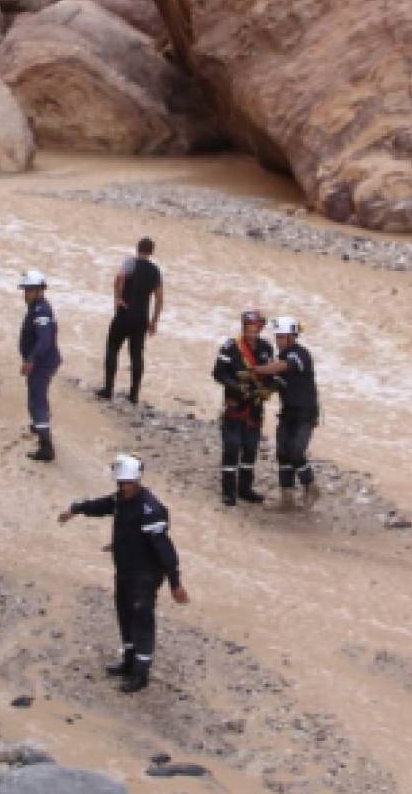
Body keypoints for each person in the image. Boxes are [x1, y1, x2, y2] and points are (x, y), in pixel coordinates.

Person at [57, 454, 188, 693]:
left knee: (142, 619)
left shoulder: (150, 510)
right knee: (125, 615)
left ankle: (141, 673)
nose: (123, 488)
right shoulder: (121, 500)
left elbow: (164, 549)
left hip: (145, 575)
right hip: (125, 571)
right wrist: (76, 509)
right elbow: (102, 506)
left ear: (137, 481)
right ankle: (129, 661)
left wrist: (175, 583)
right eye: (120, 483)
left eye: (126, 483)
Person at [254, 316, 319, 509]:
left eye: (281, 337)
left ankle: (310, 486)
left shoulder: (300, 354)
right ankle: (287, 498)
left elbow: (282, 367)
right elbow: (274, 382)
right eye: (277, 337)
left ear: (292, 337)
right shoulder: (281, 357)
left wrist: (256, 369)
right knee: (282, 453)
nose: (278, 340)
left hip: (305, 414)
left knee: (296, 451)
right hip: (287, 412)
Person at [211, 310, 275, 507]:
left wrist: (268, 389)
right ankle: (228, 492)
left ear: (260, 329)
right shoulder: (230, 348)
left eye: (255, 330)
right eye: (248, 330)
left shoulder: (266, 348)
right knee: (231, 448)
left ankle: (245, 489)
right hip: (234, 406)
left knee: (250, 449)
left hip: (255, 408)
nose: (251, 334)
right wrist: (237, 386)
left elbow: (270, 375)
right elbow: (218, 373)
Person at [94, 237, 163, 404]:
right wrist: (154, 321)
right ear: (152, 252)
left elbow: (119, 279)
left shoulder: (130, 263)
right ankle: (133, 395)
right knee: (136, 355)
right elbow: (159, 299)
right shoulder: (155, 271)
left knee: (112, 348)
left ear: (137, 249)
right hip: (141, 318)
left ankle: (108, 390)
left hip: (125, 313)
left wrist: (118, 298)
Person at [18, 270, 61, 462]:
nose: (25, 294)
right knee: (37, 398)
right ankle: (39, 426)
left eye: (29, 290)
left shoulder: (41, 311)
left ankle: (46, 448)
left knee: (37, 402)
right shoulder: (37, 308)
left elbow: (44, 340)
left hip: (41, 364)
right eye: (25, 290)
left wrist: (31, 360)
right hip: (42, 362)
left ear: (40, 290)